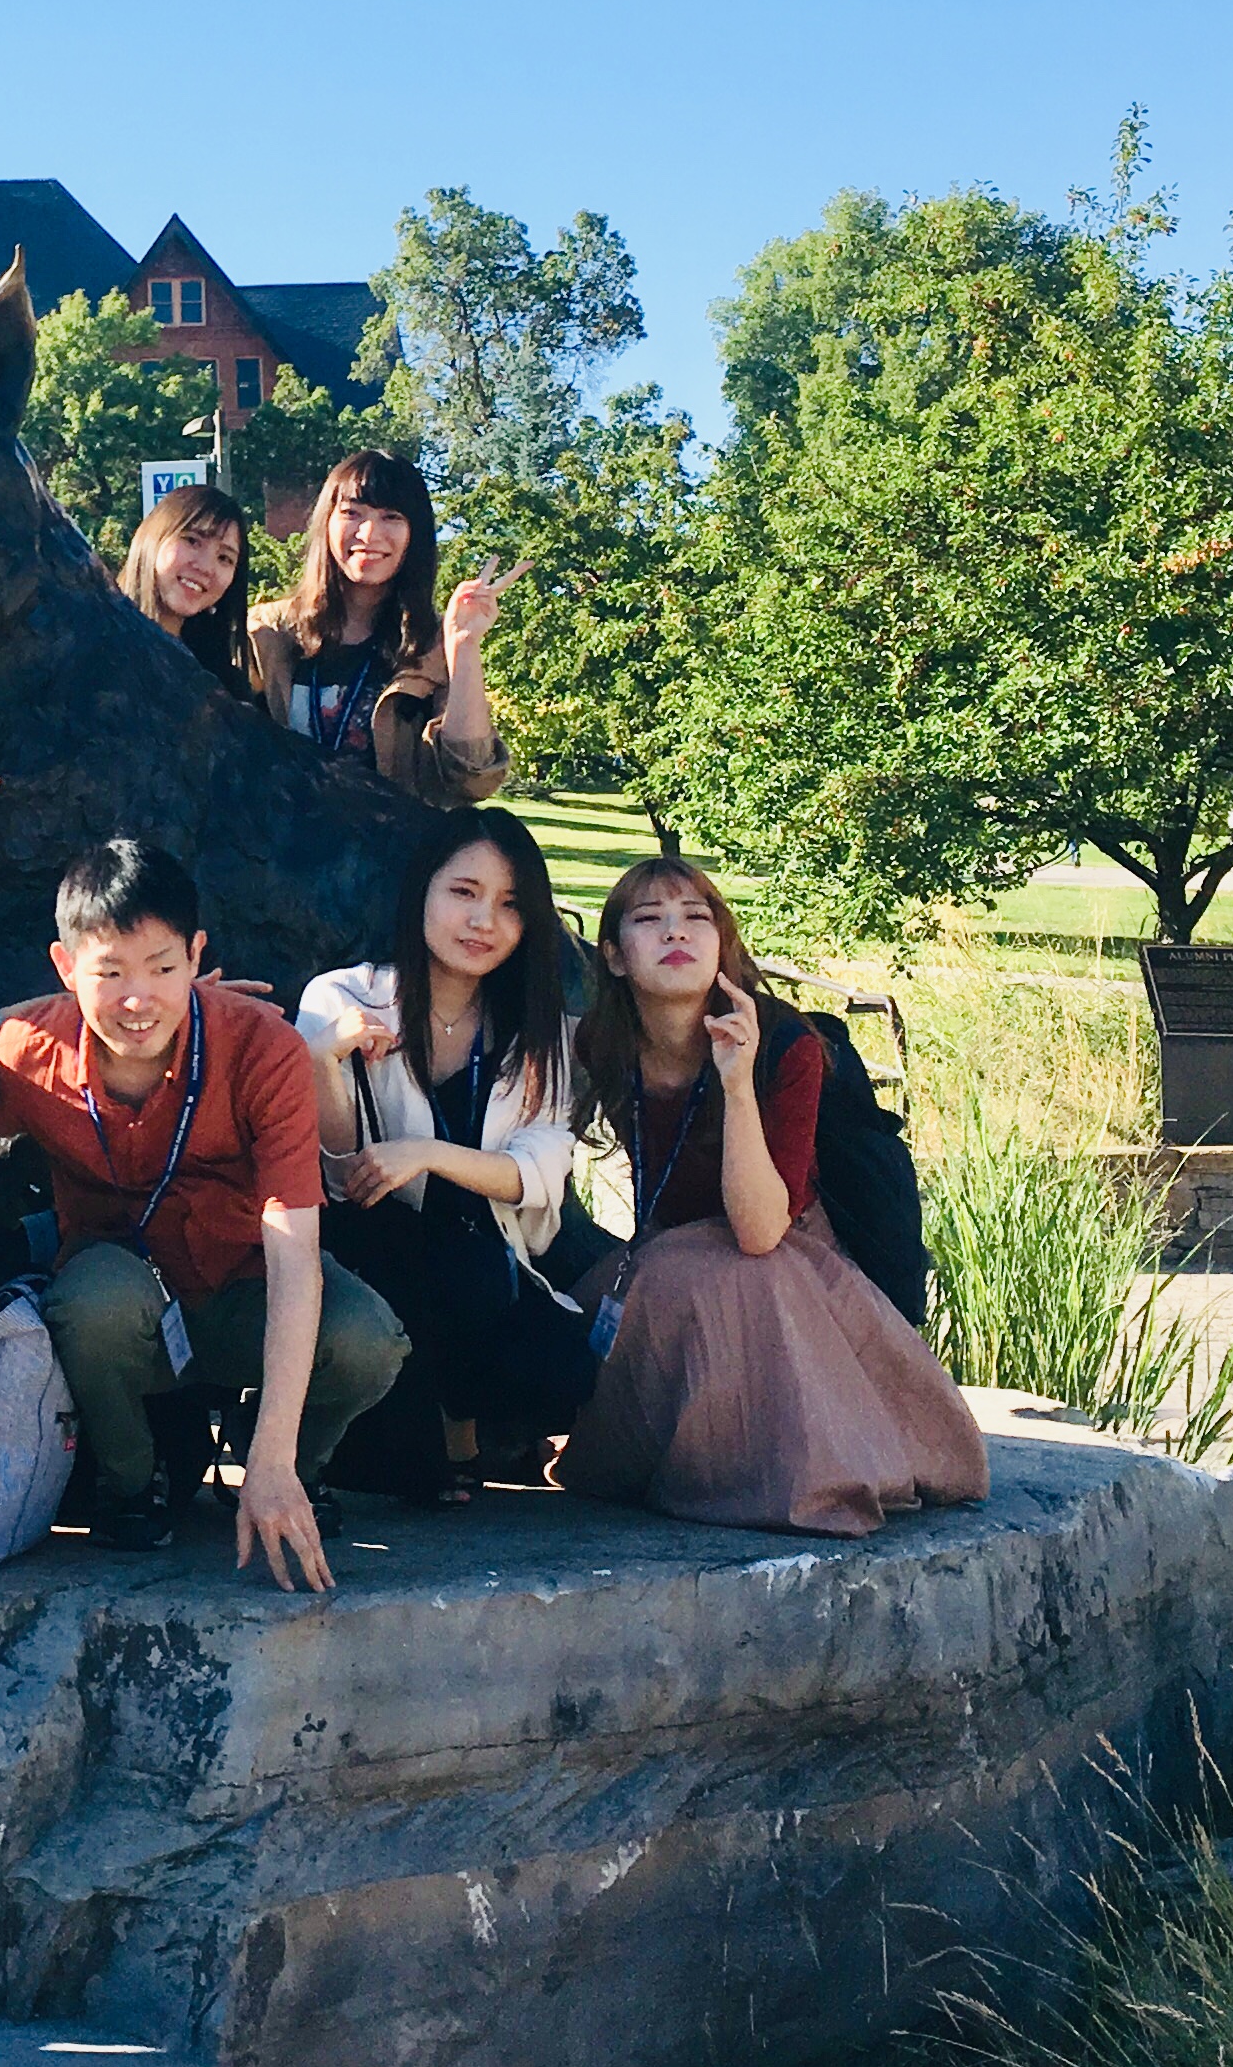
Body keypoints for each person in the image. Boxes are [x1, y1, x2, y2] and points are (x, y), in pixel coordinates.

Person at [0, 839, 407, 1585]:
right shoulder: (27, 1049)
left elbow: (294, 1248)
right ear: (67, 969)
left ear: (197, 956)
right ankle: (131, 1483)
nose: (139, 1000)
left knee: (369, 1341)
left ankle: (289, 1462)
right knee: (93, 1301)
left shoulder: (264, 1050)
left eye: (163, 969)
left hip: (240, 1277)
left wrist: (272, 1456)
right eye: (110, 973)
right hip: (120, 1290)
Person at [551, 858, 983, 1538]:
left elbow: (759, 1229)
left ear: (724, 944)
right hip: (677, 1249)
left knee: (717, 1281)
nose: (676, 934)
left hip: (784, 1248)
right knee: (598, 1297)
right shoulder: (605, 1044)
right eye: (649, 920)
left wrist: (737, 1081)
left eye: (698, 918)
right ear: (612, 955)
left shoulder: (786, 1045)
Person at [298, 805, 599, 1504]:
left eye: (509, 904)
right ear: (422, 892)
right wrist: (323, 1059)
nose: (482, 922)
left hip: (483, 1263)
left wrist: (428, 1153)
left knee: (567, 1366)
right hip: (367, 1250)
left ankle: (460, 1422)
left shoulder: (535, 1031)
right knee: (398, 1254)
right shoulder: (344, 996)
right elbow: (337, 1175)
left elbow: (540, 1171)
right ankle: (408, 1442)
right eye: (463, 893)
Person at [245, 450, 509, 807]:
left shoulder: (433, 649)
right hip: (279, 849)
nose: (369, 533)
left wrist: (463, 646)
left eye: (391, 517)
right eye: (352, 514)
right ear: (327, 522)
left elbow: (472, 778)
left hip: (393, 853)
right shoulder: (264, 634)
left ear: (414, 535)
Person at [118, 479, 261, 707]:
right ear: (152, 538)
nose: (205, 567)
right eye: (192, 541)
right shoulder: (85, 644)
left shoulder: (225, 691)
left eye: (224, 558)